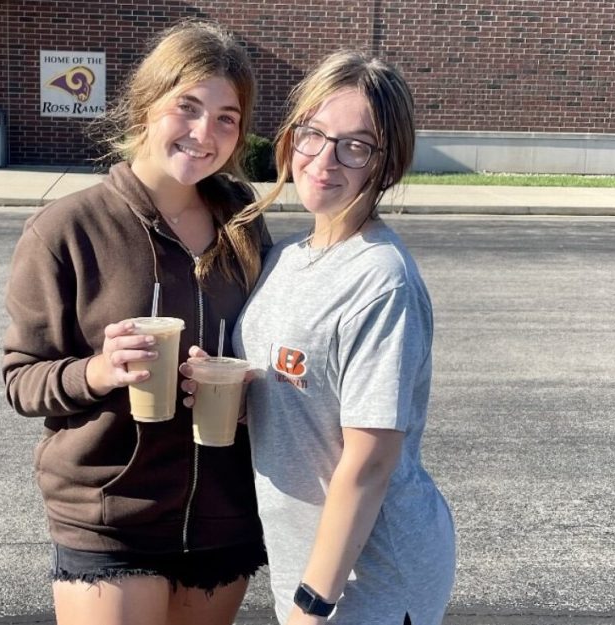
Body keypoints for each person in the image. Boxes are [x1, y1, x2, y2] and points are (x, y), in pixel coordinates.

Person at [2, 21, 270, 625]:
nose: (205, 133)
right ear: (146, 106)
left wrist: (251, 388)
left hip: (223, 511)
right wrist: (98, 370)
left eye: (227, 117)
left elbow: (266, 350)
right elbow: (21, 379)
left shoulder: (245, 226)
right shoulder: (67, 229)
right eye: (188, 107)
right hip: (108, 512)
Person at [233, 51, 456, 624]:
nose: (325, 159)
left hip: (369, 579)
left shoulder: (381, 280)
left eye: (356, 145)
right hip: (304, 558)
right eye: (314, 133)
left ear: (387, 164)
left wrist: (314, 603)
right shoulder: (286, 255)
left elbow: (370, 460)